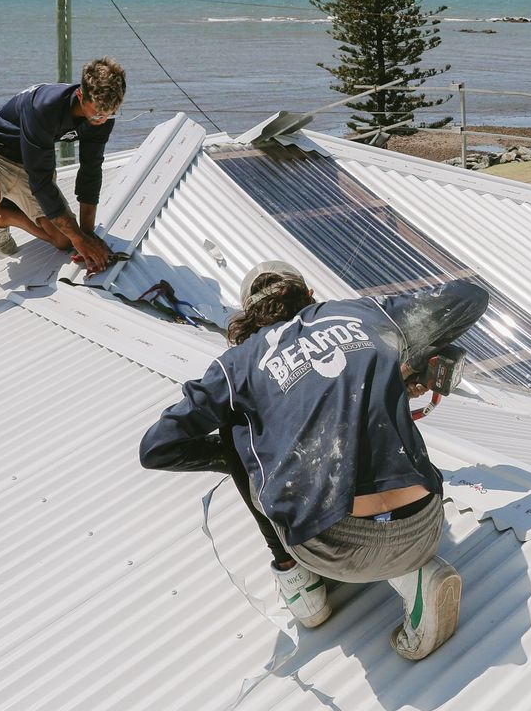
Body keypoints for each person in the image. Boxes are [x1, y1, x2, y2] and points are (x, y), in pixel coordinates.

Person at [140, 261, 489, 661]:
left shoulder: (236, 365)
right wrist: (401, 355)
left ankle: (296, 578)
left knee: (236, 425)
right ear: (308, 296)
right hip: (425, 526)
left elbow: (156, 448)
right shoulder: (362, 314)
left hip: (336, 549)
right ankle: (414, 575)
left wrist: (252, 455)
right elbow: (471, 297)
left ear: (249, 317)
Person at [0, 57, 127, 331]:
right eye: (96, 112)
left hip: (27, 165)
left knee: (65, 241)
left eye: (108, 113)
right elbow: (41, 183)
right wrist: (81, 239)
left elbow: (90, 172)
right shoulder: (44, 105)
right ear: (80, 95)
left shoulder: (103, 116)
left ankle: (1, 218)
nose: (100, 120)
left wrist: (85, 237)